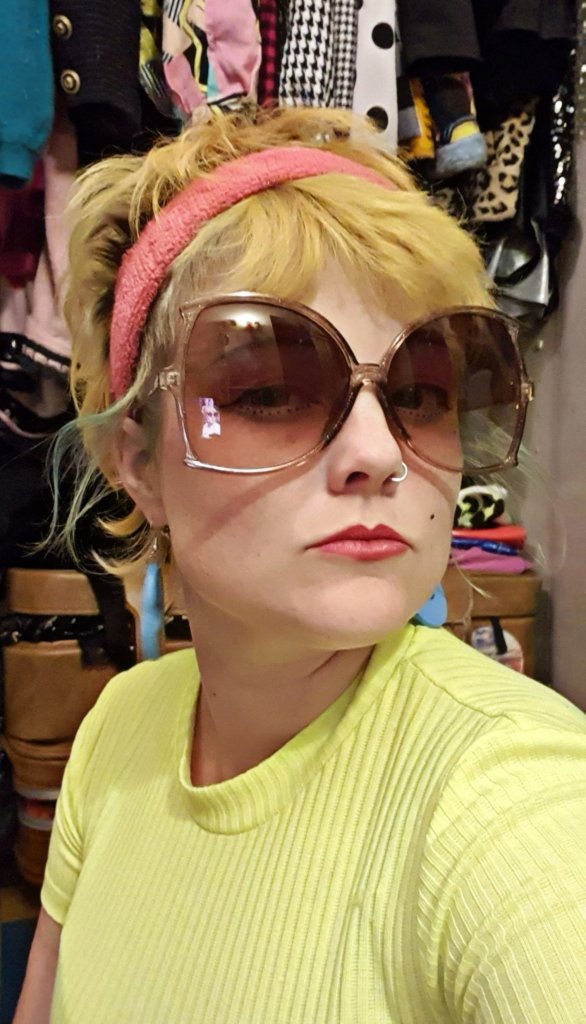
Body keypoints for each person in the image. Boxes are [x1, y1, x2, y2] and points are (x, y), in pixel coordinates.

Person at [14, 107, 586, 1023]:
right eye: (270, 389)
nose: (379, 452)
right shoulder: (117, 730)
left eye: (421, 392)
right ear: (137, 461)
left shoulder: (511, 795)